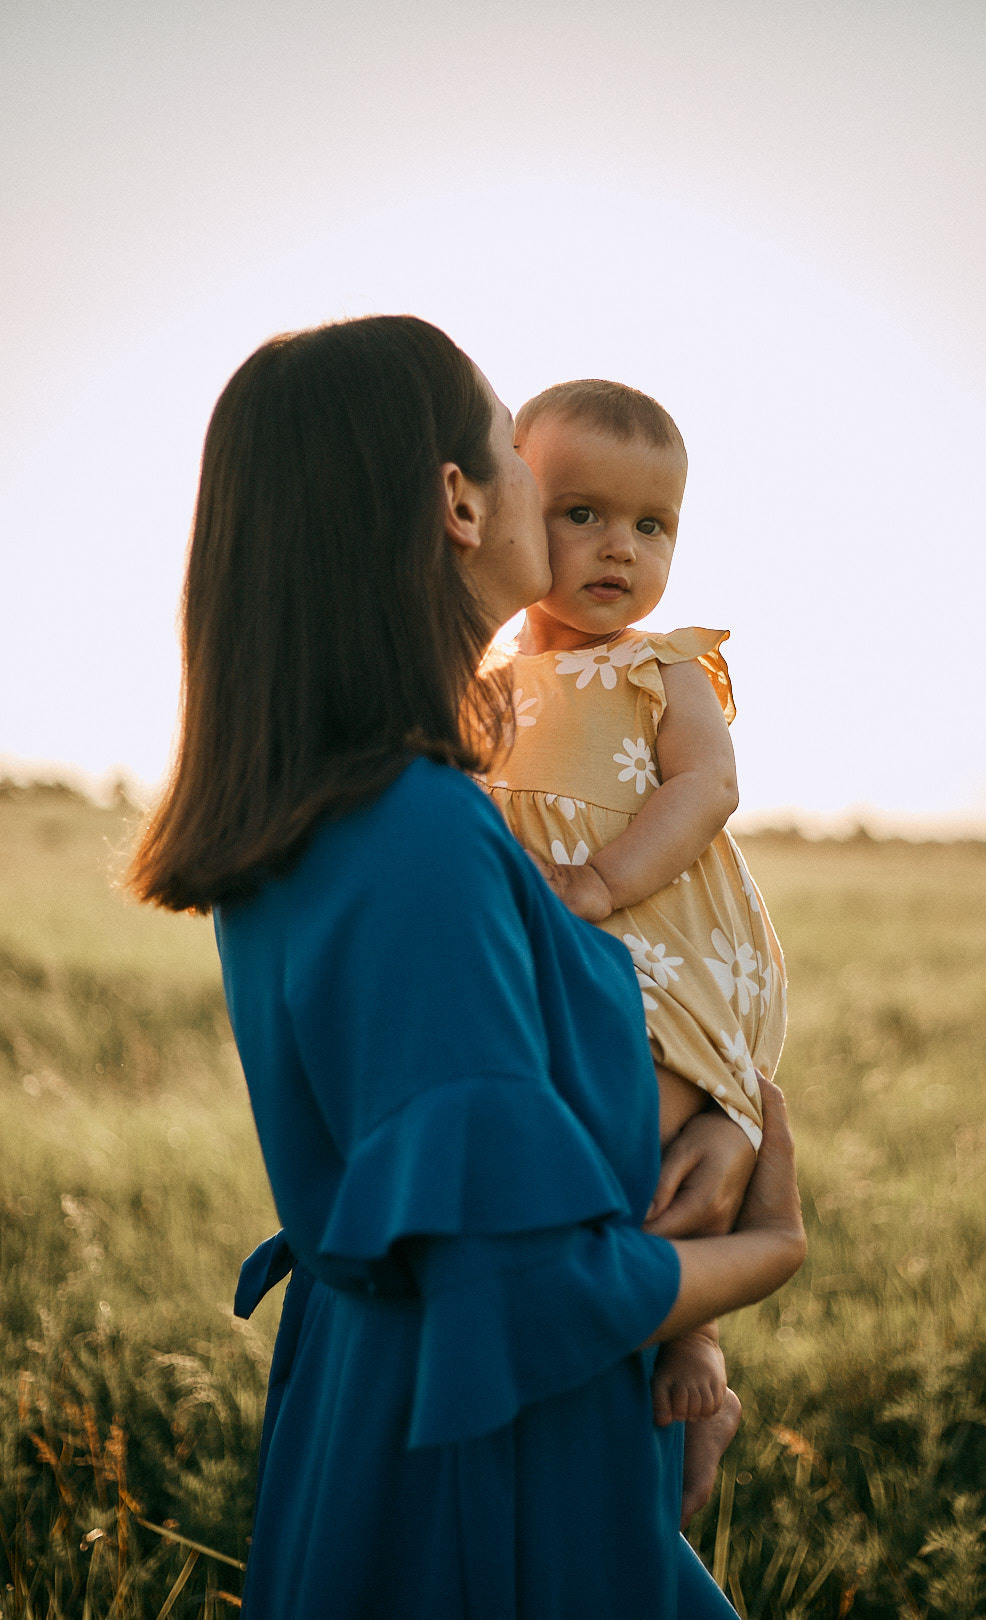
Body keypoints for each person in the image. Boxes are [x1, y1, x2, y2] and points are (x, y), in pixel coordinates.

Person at [129, 315, 805, 1619]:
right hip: (487, 1457)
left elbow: (475, 1139)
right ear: (459, 498)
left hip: (383, 1408)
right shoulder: (426, 832)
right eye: (516, 453)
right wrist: (762, 1248)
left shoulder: (326, 807)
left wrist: (702, 1124)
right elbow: (536, 1290)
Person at [481, 378, 787, 1439]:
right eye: (585, 515)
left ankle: (693, 1336)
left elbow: (709, 786)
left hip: (654, 939)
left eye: (651, 525)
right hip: (560, 949)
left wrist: (607, 879)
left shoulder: (661, 663)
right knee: (587, 1154)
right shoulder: (490, 676)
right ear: (511, 504)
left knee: (641, 1145)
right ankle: (636, 1347)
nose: (622, 549)